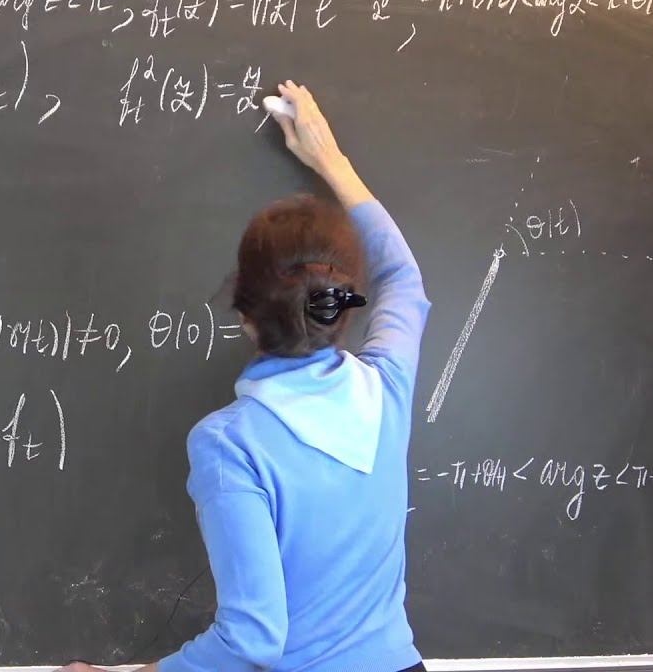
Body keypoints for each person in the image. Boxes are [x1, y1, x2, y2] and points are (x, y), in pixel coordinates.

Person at [63, 81, 432, 672]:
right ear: (341, 307)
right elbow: (404, 280)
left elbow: (251, 640)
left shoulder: (230, 444)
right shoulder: (387, 389)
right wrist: (331, 159)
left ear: (245, 317)